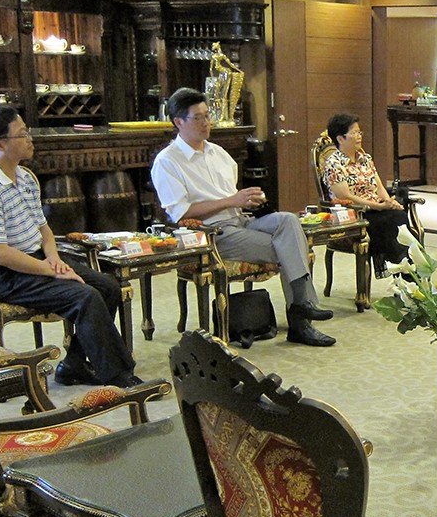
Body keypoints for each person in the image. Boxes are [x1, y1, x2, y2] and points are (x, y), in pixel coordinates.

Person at [0, 106, 140, 387]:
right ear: (0, 144)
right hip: (2, 274)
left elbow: (43, 228)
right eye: (22, 134)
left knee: (107, 286)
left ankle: (74, 364)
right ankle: (118, 375)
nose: (30, 139)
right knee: (85, 296)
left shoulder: (24, 176)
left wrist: (54, 259)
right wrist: (50, 270)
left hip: (37, 258)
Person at [151, 87, 335, 347]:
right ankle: (300, 320)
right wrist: (232, 200)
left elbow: (233, 198)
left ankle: (301, 307)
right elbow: (180, 212)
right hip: (212, 233)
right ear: (178, 122)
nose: (206, 123)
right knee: (291, 245)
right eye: (198, 118)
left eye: (207, 115)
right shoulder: (168, 162)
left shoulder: (218, 153)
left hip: (241, 220)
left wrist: (249, 200)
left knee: (289, 221)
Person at [320, 113, 408, 278]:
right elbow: (346, 197)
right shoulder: (333, 164)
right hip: (354, 215)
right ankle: (407, 272)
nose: (359, 136)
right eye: (354, 133)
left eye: (359, 132)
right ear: (340, 139)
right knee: (390, 223)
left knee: (399, 215)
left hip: (376, 209)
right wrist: (378, 206)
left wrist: (389, 201)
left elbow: (379, 186)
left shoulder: (365, 158)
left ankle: (406, 270)